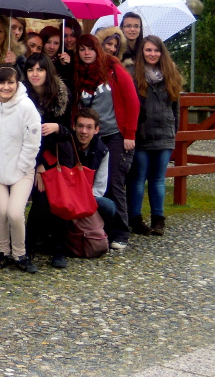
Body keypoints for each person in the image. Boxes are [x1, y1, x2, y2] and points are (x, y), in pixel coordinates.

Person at [73, 34, 139, 251]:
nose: (86, 53)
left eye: (90, 48)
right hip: (90, 136)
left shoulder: (113, 69)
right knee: (91, 184)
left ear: (97, 50)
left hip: (115, 134)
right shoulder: (77, 73)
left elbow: (132, 101)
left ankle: (120, 232)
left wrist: (129, 133)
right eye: (82, 49)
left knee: (114, 181)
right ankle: (97, 228)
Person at [0, 65, 41, 273]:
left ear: (17, 83)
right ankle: (2, 251)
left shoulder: (26, 106)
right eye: (2, 82)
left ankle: (20, 254)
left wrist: (21, 166)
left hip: (22, 170)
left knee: (14, 213)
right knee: (1, 211)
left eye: (10, 82)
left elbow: (33, 143)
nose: (6, 87)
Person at [22, 53, 73, 269]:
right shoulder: (22, 97)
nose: (35, 74)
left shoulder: (61, 94)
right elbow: (24, 135)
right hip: (33, 156)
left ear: (47, 71)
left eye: (40, 69)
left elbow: (69, 129)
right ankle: (28, 247)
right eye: (31, 69)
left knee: (60, 200)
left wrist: (57, 127)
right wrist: (39, 166)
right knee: (41, 201)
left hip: (60, 155)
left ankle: (59, 248)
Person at [127, 36, 182, 236]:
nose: (152, 54)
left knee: (158, 179)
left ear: (161, 52)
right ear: (142, 52)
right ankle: (135, 218)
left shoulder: (171, 74)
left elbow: (176, 107)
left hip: (164, 134)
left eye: (156, 50)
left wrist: (172, 132)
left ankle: (158, 220)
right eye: (148, 50)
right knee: (138, 178)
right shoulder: (133, 75)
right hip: (141, 134)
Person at [74, 108, 122, 228]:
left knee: (108, 206)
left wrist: (84, 202)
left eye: (89, 127)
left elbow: (100, 187)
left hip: (89, 197)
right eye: (80, 126)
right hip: (68, 196)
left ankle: (98, 230)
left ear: (96, 130)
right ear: (74, 127)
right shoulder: (67, 145)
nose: (84, 131)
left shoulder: (103, 151)